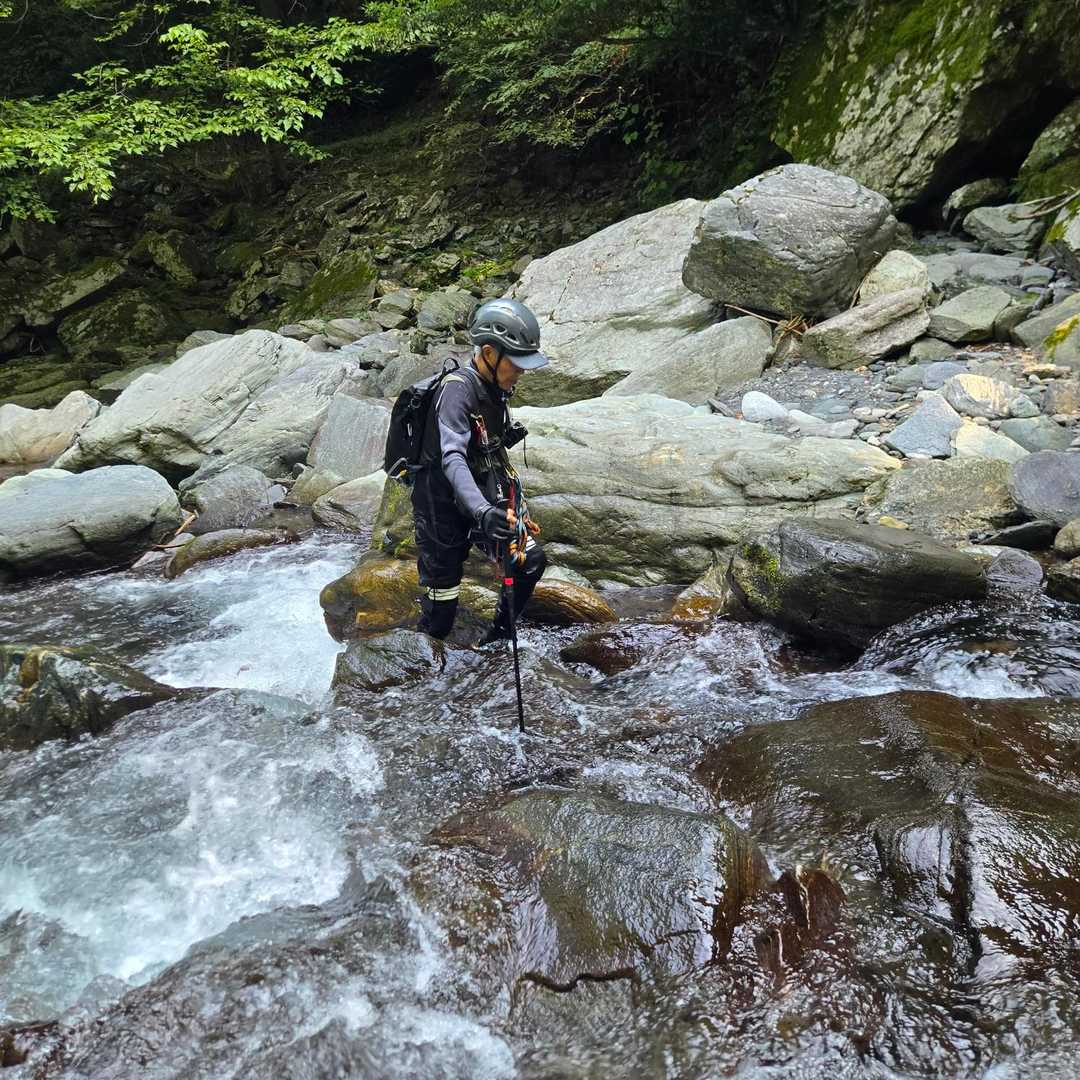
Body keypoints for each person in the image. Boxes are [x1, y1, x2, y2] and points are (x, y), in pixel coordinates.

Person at [411, 298, 549, 643]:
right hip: (441, 504)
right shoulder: (457, 390)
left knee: (529, 561)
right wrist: (483, 512)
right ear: (489, 353)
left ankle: (497, 641)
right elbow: (452, 457)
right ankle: (423, 660)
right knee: (440, 615)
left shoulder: (497, 388)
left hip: (483, 491)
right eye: (517, 363)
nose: (522, 372)